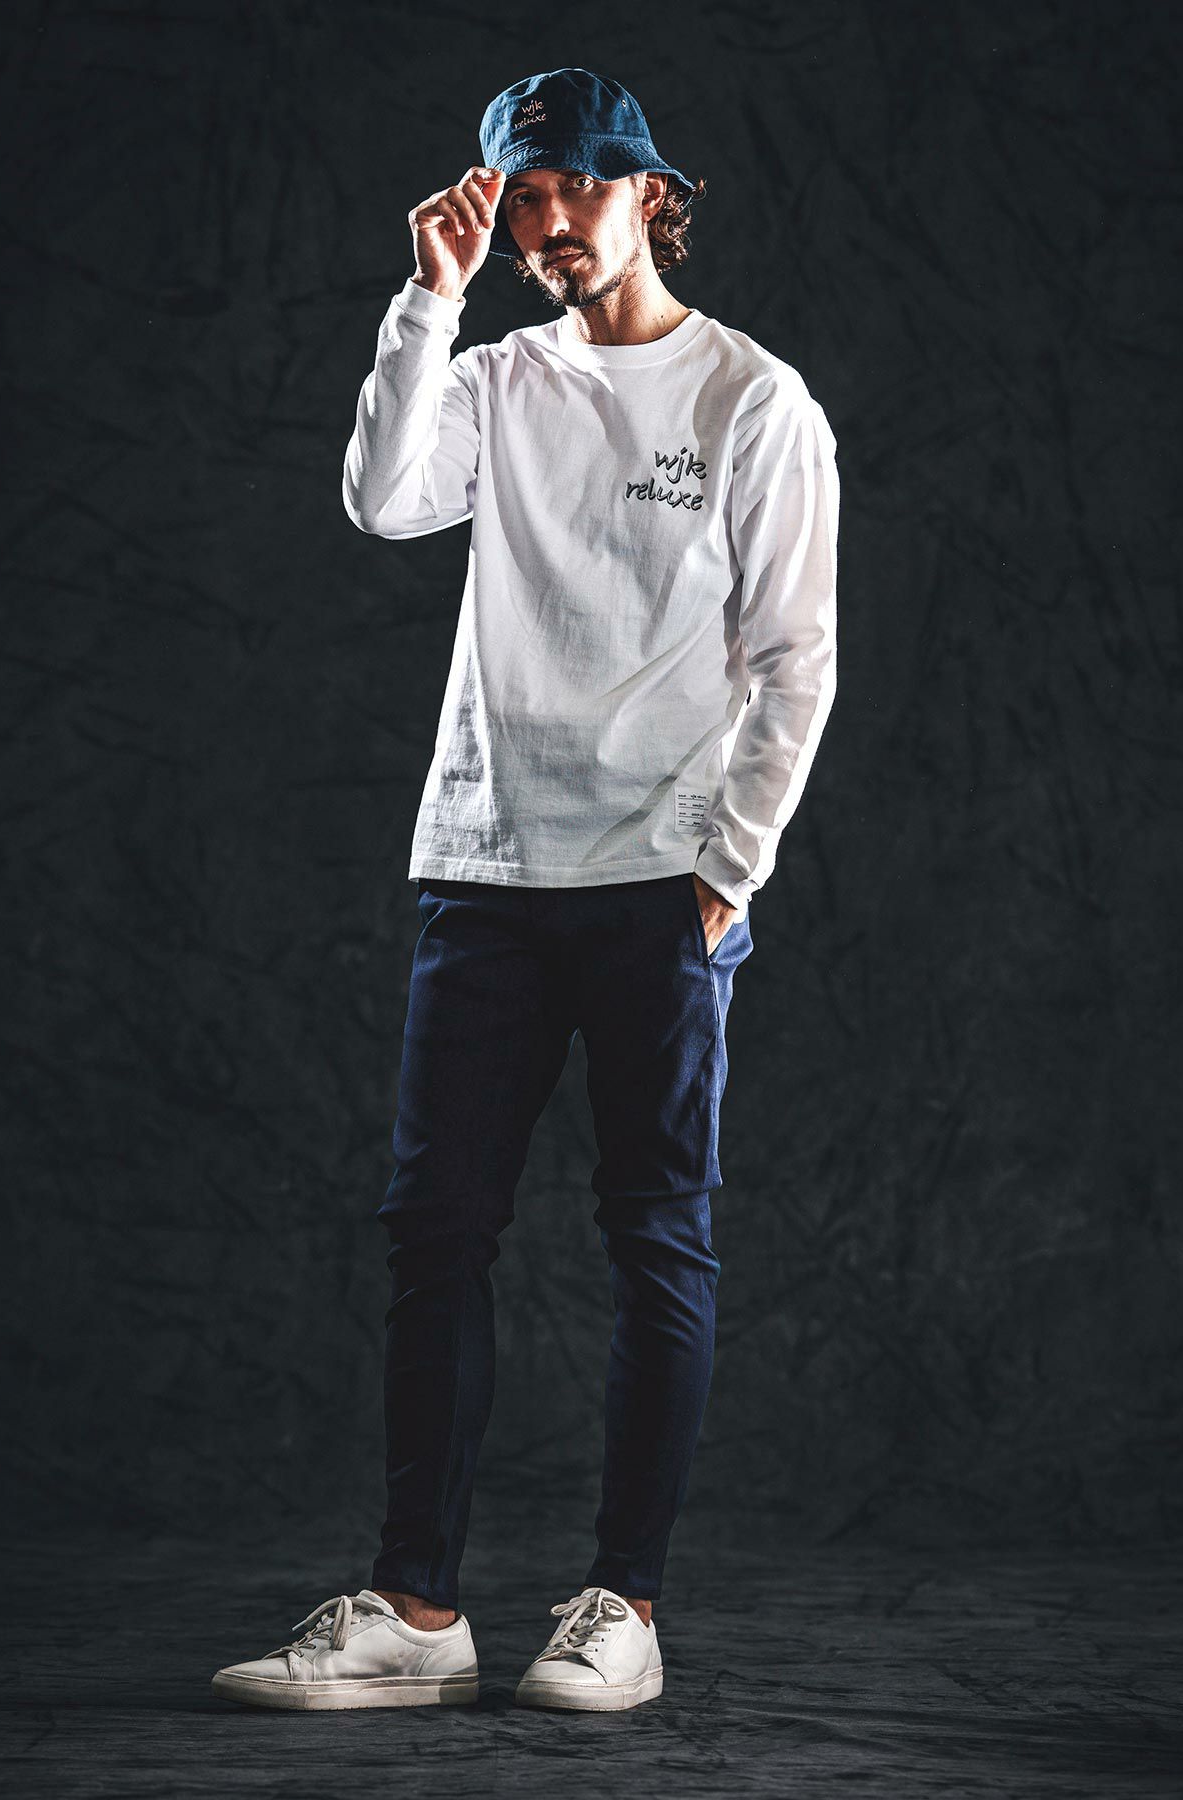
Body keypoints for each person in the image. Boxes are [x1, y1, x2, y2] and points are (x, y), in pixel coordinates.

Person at [212, 66, 838, 1715]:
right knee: (436, 1235)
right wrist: (427, 300)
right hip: (485, 868)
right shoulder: (494, 377)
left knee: (655, 1240)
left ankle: (624, 1605)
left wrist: (726, 874)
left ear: (649, 193)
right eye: (523, 197)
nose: (548, 222)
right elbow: (382, 501)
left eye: (576, 187)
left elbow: (795, 660)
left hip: (658, 888)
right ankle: (419, 1614)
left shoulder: (753, 400)